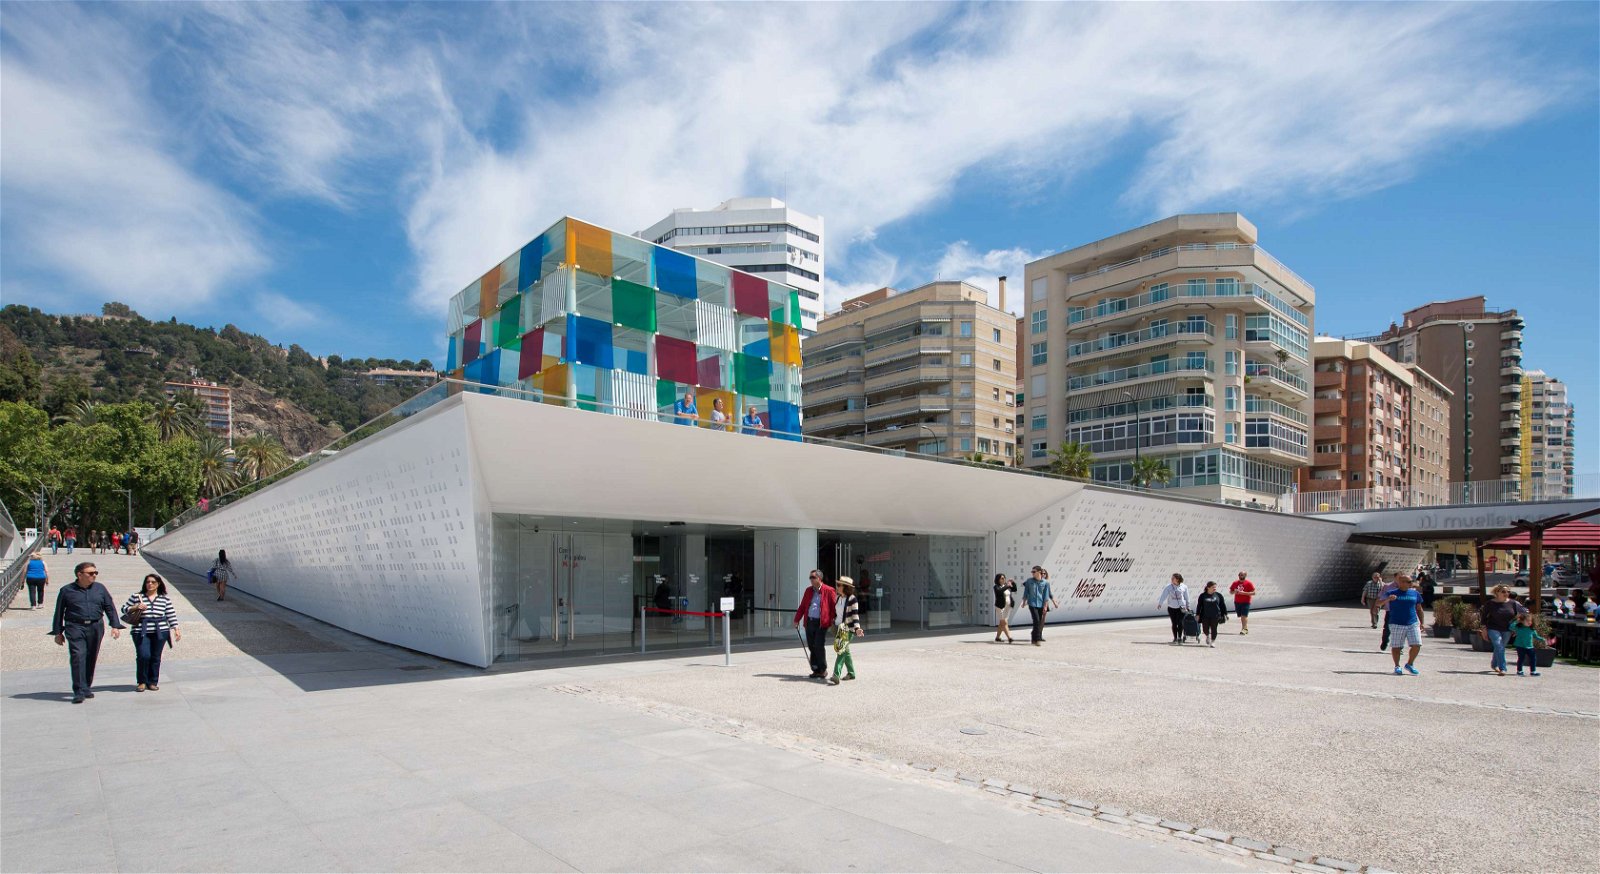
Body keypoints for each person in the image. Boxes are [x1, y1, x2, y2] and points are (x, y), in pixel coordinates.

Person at [49, 562, 124, 703]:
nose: (94, 575)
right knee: (78, 655)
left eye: (96, 573)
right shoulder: (66, 590)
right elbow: (59, 612)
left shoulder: (100, 589)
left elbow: (109, 607)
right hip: (75, 627)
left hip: (96, 626)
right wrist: (58, 632)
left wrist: (115, 625)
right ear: (79, 574)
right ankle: (78, 691)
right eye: (91, 573)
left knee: (91, 656)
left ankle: (86, 686)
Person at [122, 573, 180, 691]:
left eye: (153, 582)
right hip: (141, 630)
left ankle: (152, 681)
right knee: (143, 655)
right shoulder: (137, 596)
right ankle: (142, 681)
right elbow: (124, 608)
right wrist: (136, 606)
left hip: (161, 630)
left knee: (155, 656)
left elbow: (170, 614)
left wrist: (176, 628)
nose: (150, 584)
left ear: (158, 584)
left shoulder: (164, 598)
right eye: (148, 582)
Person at [792, 570, 838, 679]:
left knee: (818, 645)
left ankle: (823, 669)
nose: (811, 579)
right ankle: (815, 669)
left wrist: (832, 619)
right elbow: (803, 606)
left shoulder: (829, 590)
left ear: (819, 578)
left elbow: (834, 607)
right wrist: (796, 619)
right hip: (810, 621)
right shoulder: (808, 591)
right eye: (810, 577)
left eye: (813, 577)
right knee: (812, 646)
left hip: (822, 623)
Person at [1381, 574, 1425, 675]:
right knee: (1397, 646)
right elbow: (1378, 603)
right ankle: (1397, 666)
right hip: (1396, 623)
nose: (1411, 583)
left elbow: (1419, 608)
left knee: (1417, 644)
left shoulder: (1415, 593)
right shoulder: (1391, 593)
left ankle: (1410, 664)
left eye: (1411, 581)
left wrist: (1422, 622)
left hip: (1412, 622)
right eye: (1409, 582)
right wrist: (1388, 599)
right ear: (1401, 582)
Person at [1479, 585, 1527, 677]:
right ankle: (1503, 668)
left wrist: (1517, 627)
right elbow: (1484, 617)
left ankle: (1494, 664)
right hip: (1493, 628)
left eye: (1508, 592)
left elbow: (1521, 615)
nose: (1506, 593)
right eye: (1503, 592)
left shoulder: (1513, 603)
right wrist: (1484, 630)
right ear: (1497, 592)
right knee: (1499, 645)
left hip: (1507, 629)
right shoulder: (1490, 603)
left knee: (1500, 647)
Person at [829, 576, 864, 685]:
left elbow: (855, 615)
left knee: (841, 651)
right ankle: (851, 673)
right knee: (845, 651)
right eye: (837, 584)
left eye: (839, 585)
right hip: (837, 628)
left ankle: (836, 675)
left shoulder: (852, 599)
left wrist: (857, 628)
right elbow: (836, 613)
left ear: (846, 587)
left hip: (847, 629)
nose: (837, 587)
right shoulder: (839, 598)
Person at [1022, 567, 1056, 646]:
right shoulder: (1029, 581)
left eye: (1034, 571)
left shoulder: (1045, 583)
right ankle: (1037, 639)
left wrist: (1045, 606)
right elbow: (1026, 592)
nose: (1032, 573)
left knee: (1039, 621)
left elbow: (1046, 595)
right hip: (1032, 603)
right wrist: (1024, 602)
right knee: (1036, 620)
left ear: (1039, 572)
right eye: (1032, 572)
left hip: (1041, 604)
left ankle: (1033, 637)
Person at [1507, 612, 1547, 677]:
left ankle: (1533, 671)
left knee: (1533, 658)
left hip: (1530, 646)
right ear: (1522, 621)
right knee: (1521, 658)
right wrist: (1517, 621)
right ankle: (1519, 671)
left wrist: (1542, 639)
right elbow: (1511, 627)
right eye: (1527, 621)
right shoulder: (1518, 628)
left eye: (1530, 621)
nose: (1529, 622)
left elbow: (1536, 636)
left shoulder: (1532, 629)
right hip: (1520, 646)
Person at [1157, 573, 1192, 645]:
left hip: (1181, 607)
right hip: (1172, 607)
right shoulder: (1168, 587)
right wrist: (1160, 603)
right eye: (1171, 578)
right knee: (1174, 623)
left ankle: (1180, 637)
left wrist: (1188, 606)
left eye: (1173, 578)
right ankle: (1175, 638)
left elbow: (1186, 597)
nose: (1172, 579)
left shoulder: (1184, 587)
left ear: (1178, 579)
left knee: (1180, 622)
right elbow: (1164, 595)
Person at [1195, 581, 1229, 647]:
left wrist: (1225, 614)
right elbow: (1199, 606)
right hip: (1205, 615)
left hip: (1216, 615)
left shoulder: (1218, 595)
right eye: (1213, 587)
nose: (1215, 589)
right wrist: (1197, 614)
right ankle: (1207, 636)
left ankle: (1213, 641)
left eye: (1215, 587)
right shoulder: (1202, 596)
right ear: (1208, 587)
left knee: (1214, 629)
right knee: (1205, 629)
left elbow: (1222, 605)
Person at [1375, 575, 1400, 650]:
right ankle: (1385, 641)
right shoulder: (1387, 587)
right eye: (1399, 578)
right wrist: (1388, 599)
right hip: (1390, 611)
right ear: (1395, 578)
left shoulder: (1406, 587)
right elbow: (1379, 600)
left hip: (1402, 612)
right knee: (1387, 629)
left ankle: (1399, 647)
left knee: (1400, 630)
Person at [992, 573, 1017, 644]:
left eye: (1004, 578)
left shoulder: (1006, 586)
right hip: (1000, 607)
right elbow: (999, 592)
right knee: (1004, 622)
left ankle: (997, 637)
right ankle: (1009, 638)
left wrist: (1013, 583)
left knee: (1001, 623)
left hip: (1008, 607)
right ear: (998, 579)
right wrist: (1007, 586)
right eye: (1002, 578)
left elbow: (1014, 589)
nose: (1003, 579)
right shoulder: (996, 587)